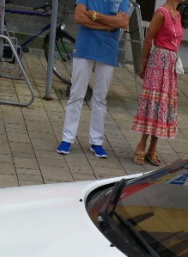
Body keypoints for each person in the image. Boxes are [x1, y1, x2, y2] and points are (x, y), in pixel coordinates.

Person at [57, 0, 131, 158]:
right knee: (77, 93)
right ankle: (67, 138)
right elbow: (79, 17)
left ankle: (96, 141)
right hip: (85, 48)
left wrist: (95, 16)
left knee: (100, 97)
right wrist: (109, 25)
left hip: (107, 50)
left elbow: (123, 22)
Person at [132, 0, 183, 166]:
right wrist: (144, 64)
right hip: (158, 63)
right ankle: (142, 144)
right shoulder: (161, 13)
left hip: (170, 65)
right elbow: (148, 39)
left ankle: (153, 148)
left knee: (162, 106)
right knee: (152, 104)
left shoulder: (177, 14)